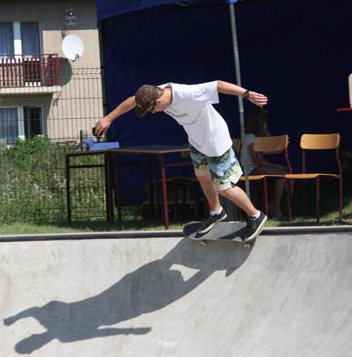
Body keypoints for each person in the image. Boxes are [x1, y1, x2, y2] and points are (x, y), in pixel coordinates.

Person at [94, 80, 268, 241]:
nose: (154, 113)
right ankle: (216, 211)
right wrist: (109, 118)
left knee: (223, 188)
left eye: (152, 110)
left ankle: (255, 215)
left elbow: (218, 85)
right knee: (202, 176)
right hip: (197, 143)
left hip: (216, 143)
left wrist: (247, 94)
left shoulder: (188, 93)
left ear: (159, 101)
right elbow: (133, 100)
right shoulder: (155, 92)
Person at [244, 106, 288, 219]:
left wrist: (265, 132)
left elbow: (275, 150)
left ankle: (277, 204)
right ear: (259, 124)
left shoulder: (258, 139)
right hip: (250, 170)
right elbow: (257, 161)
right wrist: (275, 165)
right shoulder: (250, 138)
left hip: (257, 167)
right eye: (264, 124)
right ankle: (274, 206)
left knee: (283, 172)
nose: (266, 126)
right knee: (282, 175)